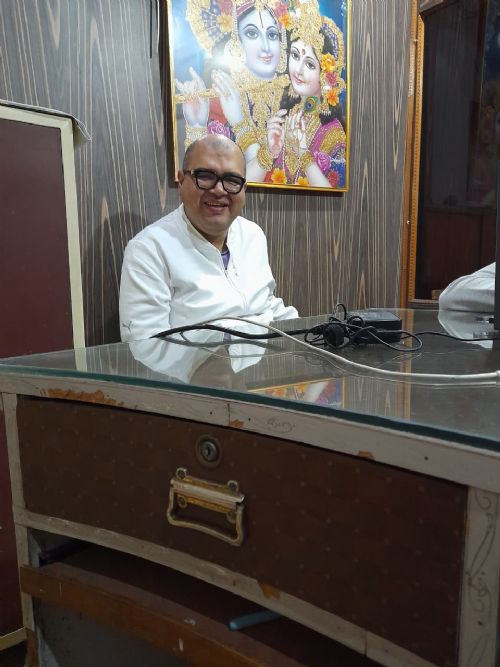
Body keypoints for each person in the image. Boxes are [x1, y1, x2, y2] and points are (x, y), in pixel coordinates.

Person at [119, 135, 298, 342]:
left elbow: (267, 306)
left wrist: (310, 332)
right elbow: (144, 345)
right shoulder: (148, 249)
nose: (219, 190)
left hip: (269, 358)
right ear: (182, 181)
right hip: (199, 362)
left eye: (232, 180)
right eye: (205, 176)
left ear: (244, 189)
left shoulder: (252, 235)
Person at [175, 0, 288, 172]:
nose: (266, 48)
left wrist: (239, 123)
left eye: (272, 35)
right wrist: (197, 127)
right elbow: (206, 177)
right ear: (236, 41)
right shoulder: (221, 100)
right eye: (252, 33)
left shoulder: (295, 98)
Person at [248, 0, 347, 187]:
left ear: (325, 75)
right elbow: (244, 185)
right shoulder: (282, 117)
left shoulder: (333, 133)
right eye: (294, 56)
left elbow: (336, 195)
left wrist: (303, 154)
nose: (298, 70)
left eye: (309, 64)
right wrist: (269, 151)